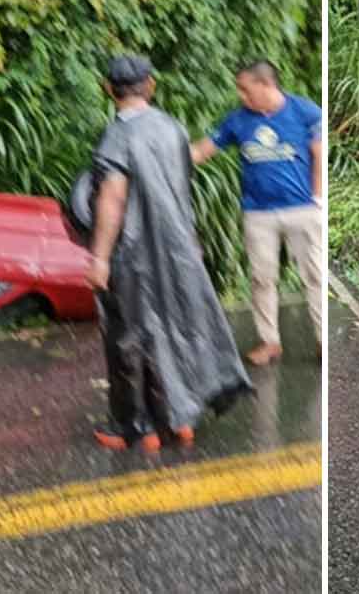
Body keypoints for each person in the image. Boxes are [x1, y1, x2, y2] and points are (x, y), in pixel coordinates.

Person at [84, 54, 253, 452]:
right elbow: (181, 191)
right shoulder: (173, 129)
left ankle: (137, 429)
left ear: (109, 89)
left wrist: (100, 258)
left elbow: (112, 198)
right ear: (151, 86)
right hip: (177, 249)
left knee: (129, 336)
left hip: (134, 254)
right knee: (176, 326)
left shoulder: (116, 136)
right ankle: (181, 418)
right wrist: (191, 239)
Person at [191, 59, 324, 366]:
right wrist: (165, 156)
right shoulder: (238, 121)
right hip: (258, 213)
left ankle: (321, 342)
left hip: (302, 208)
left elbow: (318, 152)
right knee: (262, 278)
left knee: (314, 277)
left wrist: (318, 197)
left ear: (266, 85)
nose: (241, 95)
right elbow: (203, 150)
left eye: (245, 89)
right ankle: (269, 342)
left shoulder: (304, 112)